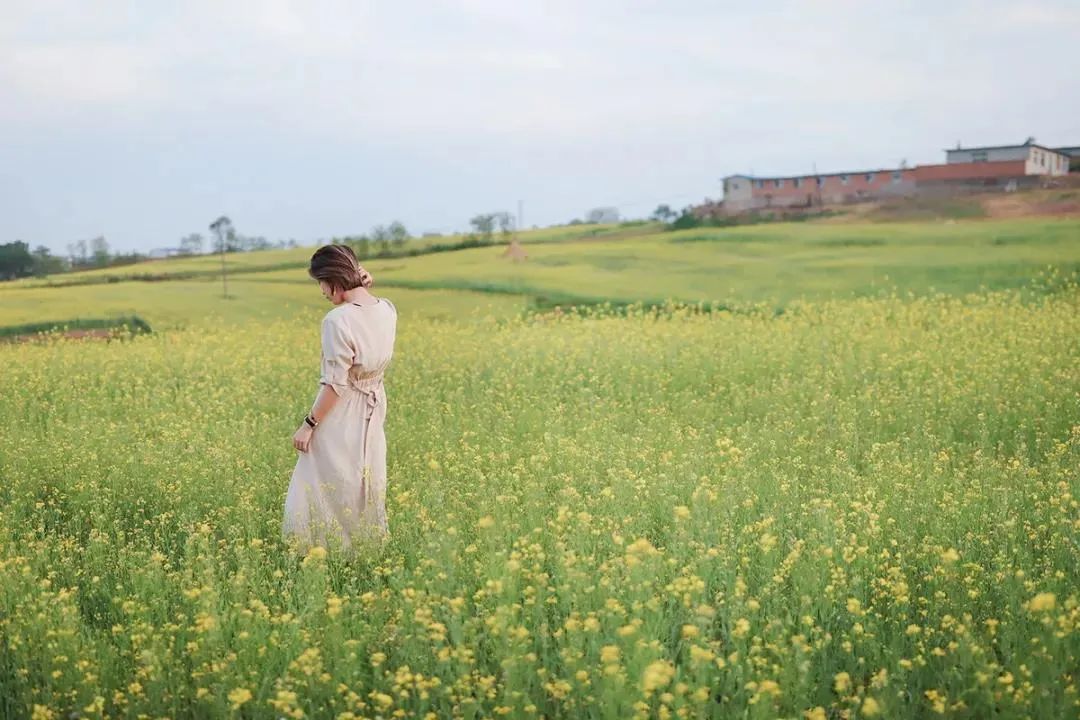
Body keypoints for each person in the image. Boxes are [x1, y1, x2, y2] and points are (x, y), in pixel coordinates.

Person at [281, 244, 398, 554]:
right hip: (374, 406)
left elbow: (335, 384)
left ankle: (324, 551)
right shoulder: (387, 309)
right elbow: (366, 307)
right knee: (363, 478)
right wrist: (360, 286)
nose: (321, 291)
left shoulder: (337, 320)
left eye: (321, 282)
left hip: (343, 411)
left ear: (333, 279)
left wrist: (309, 424)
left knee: (320, 481)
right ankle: (364, 548)